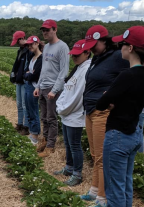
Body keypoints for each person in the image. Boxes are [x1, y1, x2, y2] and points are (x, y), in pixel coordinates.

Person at [96, 26, 144, 207]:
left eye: (122, 44)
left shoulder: (127, 75)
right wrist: (114, 99)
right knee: (126, 184)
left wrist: (110, 98)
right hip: (134, 133)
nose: (120, 47)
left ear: (130, 48)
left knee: (114, 189)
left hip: (118, 135)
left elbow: (101, 104)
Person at [79, 25, 129, 207]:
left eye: (95, 44)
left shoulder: (117, 57)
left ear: (105, 41)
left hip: (102, 112)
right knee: (94, 154)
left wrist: (115, 95)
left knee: (102, 156)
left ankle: (103, 197)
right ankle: (93, 190)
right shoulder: (97, 58)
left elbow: (129, 77)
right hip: (90, 110)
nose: (91, 48)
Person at [54, 39, 91, 186]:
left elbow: (78, 96)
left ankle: (77, 174)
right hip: (66, 113)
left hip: (75, 114)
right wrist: (60, 106)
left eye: (77, 54)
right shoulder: (78, 67)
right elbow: (67, 88)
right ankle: (69, 167)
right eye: (73, 55)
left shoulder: (86, 70)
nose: (74, 57)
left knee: (75, 145)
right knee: (68, 144)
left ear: (87, 53)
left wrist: (62, 108)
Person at [33, 19, 70, 158]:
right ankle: (45, 139)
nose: (44, 32)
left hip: (53, 88)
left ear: (55, 30)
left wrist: (54, 90)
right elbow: (44, 69)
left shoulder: (62, 47)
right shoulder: (47, 47)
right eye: (43, 30)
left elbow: (64, 71)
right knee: (43, 117)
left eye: (47, 30)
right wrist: (37, 86)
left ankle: (50, 145)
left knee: (51, 118)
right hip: (43, 87)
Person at [23, 36, 43, 145]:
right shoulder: (32, 57)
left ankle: (35, 134)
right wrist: (28, 74)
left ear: (37, 43)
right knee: (28, 110)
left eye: (32, 44)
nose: (30, 46)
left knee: (33, 110)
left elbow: (35, 76)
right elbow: (25, 73)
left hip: (34, 86)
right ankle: (31, 132)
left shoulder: (41, 58)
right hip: (28, 85)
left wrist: (28, 75)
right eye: (28, 45)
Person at [10, 31, 31, 135]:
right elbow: (16, 64)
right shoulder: (20, 51)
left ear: (22, 39)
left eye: (18, 41)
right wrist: (13, 74)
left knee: (24, 104)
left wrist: (27, 44)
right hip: (18, 81)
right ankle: (19, 124)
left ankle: (26, 126)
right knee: (19, 104)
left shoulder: (29, 50)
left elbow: (36, 53)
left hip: (25, 81)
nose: (17, 43)